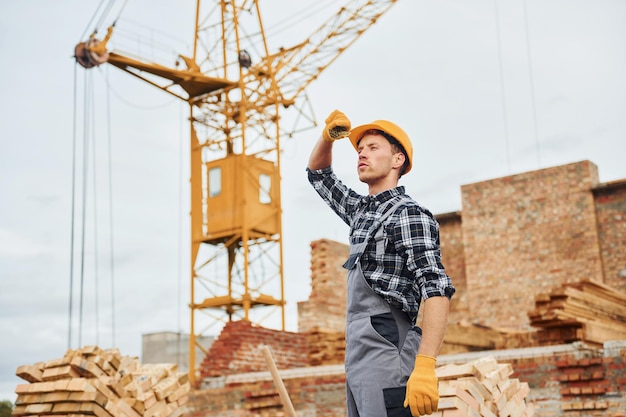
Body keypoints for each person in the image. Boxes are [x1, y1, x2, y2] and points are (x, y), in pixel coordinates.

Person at [306, 110, 456, 417]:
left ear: (397, 160)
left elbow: (436, 288)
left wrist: (426, 364)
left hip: (390, 349)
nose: (362, 154)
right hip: (359, 354)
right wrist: (327, 137)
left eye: (373, 147)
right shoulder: (361, 213)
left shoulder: (408, 214)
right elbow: (318, 174)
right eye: (360, 149)